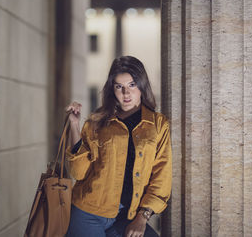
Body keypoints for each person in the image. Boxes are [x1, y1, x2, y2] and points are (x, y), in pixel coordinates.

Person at [65, 56, 172, 237]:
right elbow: (78, 172)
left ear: (142, 85)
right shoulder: (97, 122)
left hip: (128, 216)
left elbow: (162, 177)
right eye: (119, 87)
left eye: (132, 85)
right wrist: (74, 126)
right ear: (112, 90)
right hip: (88, 212)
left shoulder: (158, 124)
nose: (126, 93)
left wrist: (142, 217)